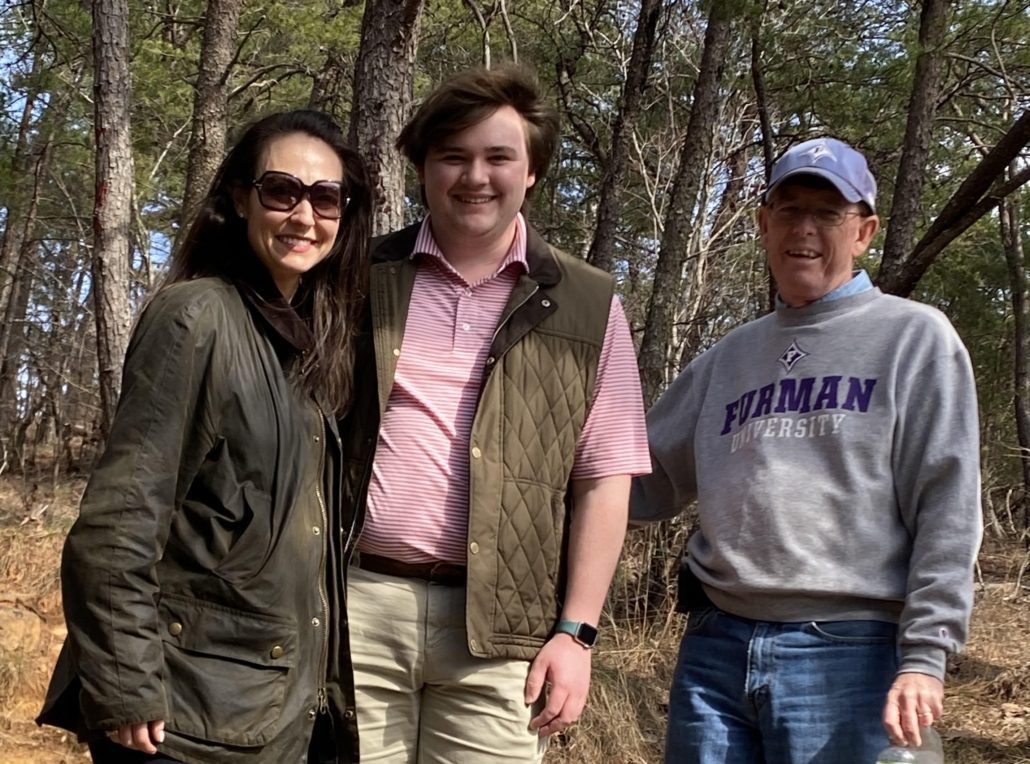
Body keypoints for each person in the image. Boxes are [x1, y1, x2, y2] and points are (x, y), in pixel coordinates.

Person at [630, 137, 982, 763]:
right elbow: (636, 477)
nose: (805, 230)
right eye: (790, 210)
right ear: (764, 224)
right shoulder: (728, 359)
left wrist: (925, 656)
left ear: (864, 232)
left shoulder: (913, 338)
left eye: (828, 214)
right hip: (717, 645)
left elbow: (948, 507)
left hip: (853, 650)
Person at [37, 109, 372, 764]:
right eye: (282, 191)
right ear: (240, 198)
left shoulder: (300, 346)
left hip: (265, 718)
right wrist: (127, 683)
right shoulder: (197, 317)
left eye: (325, 198)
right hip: (185, 723)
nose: (304, 216)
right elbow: (117, 523)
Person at [337, 64, 651, 763]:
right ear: (422, 167)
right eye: (452, 156)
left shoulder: (590, 304)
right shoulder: (357, 277)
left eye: (498, 157)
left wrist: (577, 634)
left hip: (505, 638)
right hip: (354, 609)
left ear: (531, 170)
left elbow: (604, 479)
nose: (474, 176)